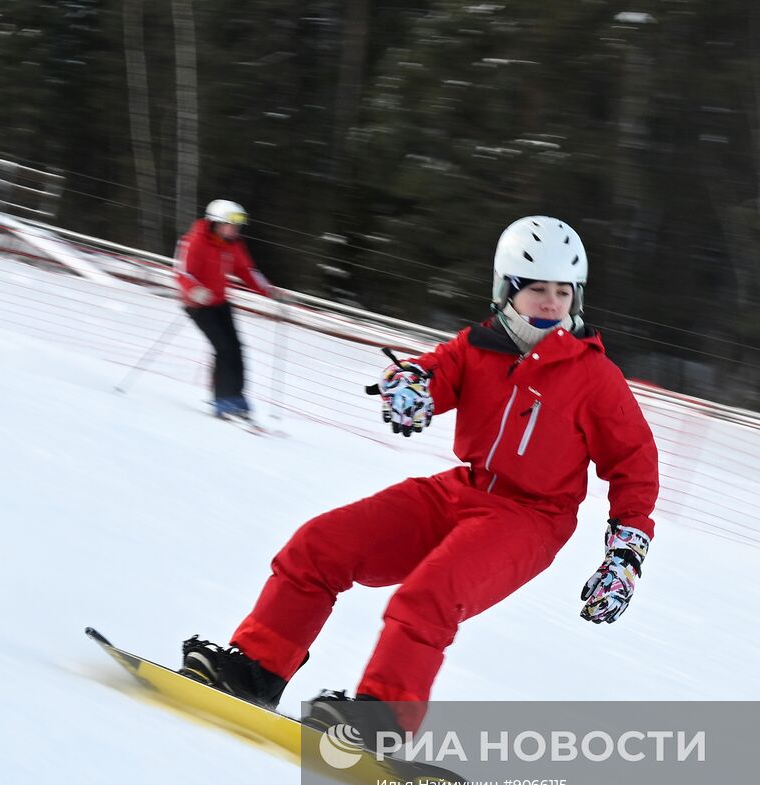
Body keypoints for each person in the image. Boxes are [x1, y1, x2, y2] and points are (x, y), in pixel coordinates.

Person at [180, 216, 660, 744]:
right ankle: (254, 669)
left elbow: (633, 463)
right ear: (507, 291)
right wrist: (410, 384)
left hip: (531, 519)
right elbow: (433, 373)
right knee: (320, 545)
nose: (550, 303)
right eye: (537, 290)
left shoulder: (594, 376)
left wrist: (625, 555)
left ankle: (382, 719)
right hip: (461, 492)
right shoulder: (480, 345)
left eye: (562, 292)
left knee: (427, 597)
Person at [173, 199, 277, 421]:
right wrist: (196, 291)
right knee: (223, 348)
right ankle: (222, 400)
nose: (235, 229)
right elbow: (182, 273)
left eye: (238, 226)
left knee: (237, 348)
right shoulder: (195, 241)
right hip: (198, 305)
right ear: (216, 223)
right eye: (231, 224)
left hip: (219, 303)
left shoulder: (233, 244)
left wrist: (270, 291)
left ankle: (237, 398)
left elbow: (247, 270)